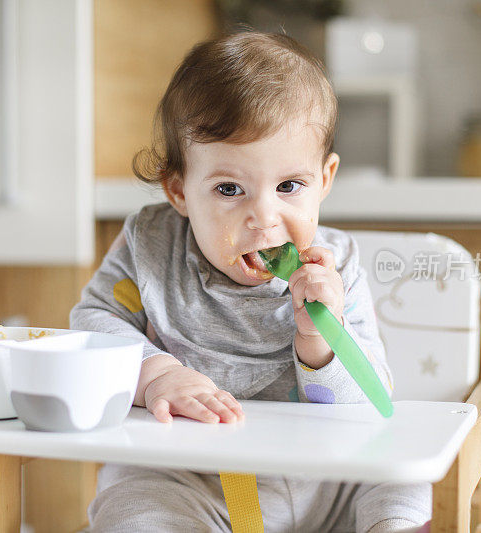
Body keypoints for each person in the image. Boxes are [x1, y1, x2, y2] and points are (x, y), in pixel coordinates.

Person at [70, 30, 431, 533]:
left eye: (289, 186)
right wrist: (156, 376)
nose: (264, 217)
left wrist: (319, 337)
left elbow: (368, 402)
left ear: (324, 180)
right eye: (229, 189)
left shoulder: (337, 267)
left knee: (399, 471)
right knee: (134, 497)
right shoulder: (150, 247)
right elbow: (92, 324)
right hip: (191, 482)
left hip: (325, 483)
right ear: (179, 191)